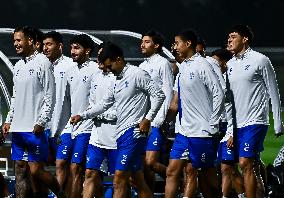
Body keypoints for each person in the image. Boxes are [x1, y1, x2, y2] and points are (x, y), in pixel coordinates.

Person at [70, 41, 165, 198]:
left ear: (118, 59)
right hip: (120, 134)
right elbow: (104, 104)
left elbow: (159, 95)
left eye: (109, 66)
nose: (107, 70)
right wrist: (83, 115)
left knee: (119, 178)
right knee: (137, 181)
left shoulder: (137, 74)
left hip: (133, 132)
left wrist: (148, 119)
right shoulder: (116, 79)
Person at [2, 26, 64, 198]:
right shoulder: (18, 65)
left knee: (36, 171)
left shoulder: (43, 62)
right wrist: (8, 120)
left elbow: (50, 95)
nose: (16, 44)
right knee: (20, 169)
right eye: (14, 40)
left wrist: (42, 121)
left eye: (19, 40)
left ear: (30, 41)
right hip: (19, 128)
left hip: (35, 127)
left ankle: (60, 194)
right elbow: (15, 97)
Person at [164, 29, 224, 198]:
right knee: (172, 172)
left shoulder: (203, 64)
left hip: (201, 132)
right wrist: (166, 122)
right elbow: (176, 103)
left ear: (188, 43)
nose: (174, 47)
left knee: (206, 175)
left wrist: (213, 122)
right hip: (183, 132)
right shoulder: (183, 68)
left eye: (177, 43)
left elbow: (218, 92)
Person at [226, 24, 284, 198]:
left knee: (245, 163)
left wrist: (279, 123)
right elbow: (228, 100)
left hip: (256, 121)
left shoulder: (260, 60)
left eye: (233, 37)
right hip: (237, 123)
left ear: (245, 39)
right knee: (246, 166)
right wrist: (229, 128)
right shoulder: (229, 64)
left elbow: (273, 91)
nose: (229, 40)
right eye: (228, 37)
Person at [55, 34, 100, 198]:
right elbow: (66, 103)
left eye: (77, 47)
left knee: (76, 168)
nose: (72, 51)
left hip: (87, 127)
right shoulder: (70, 71)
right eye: (71, 47)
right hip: (70, 126)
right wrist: (60, 128)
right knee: (60, 163)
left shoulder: (96, 70)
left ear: (87, 50)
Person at [207, 48, 245, 198]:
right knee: (223, 168)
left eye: (215, 62)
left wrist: (231, 133)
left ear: (224, 63)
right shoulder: (212, 79)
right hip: (216, 126)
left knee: (228, 168)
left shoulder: (231, 80)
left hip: (228, 127)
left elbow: (234, 110)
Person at [139, 30, 174, 191]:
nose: (142, 44)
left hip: (156, 121)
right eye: (142, 41)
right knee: (144, 166)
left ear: (157, 45)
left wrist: (161, 120)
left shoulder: (163, 63)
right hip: (143, 121)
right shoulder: (142, 66)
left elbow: (167, 92)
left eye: (147, 41)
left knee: (150, 162)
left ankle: (179, 180)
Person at [82, 42, 118, 198]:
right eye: (98, 56)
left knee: (121, 179)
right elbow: (93, 104)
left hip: (116, 135)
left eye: (103, 57)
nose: (99, 60)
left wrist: (103, 115)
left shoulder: (120, 77)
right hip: (97, 135)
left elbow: (121, 108)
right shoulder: (95, 77)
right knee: (90, 173)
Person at [42, 31, 76, 190]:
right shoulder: (41, 65)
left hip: (66, 127)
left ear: (60, 46)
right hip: (45, 126)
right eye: (43, 45)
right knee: (39, 168)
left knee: (62, 164)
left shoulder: (70, 65)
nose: (45, 48)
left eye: (49, 44)